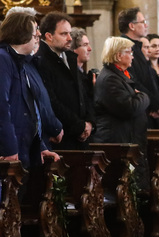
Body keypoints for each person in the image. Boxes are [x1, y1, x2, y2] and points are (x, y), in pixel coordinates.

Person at [0, 12, 61, 168]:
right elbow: (2, 107)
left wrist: (40, 147)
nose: (39, 35)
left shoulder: (22, 62)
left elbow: (29, 112)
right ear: (21, 33)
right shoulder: (3, 59)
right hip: (10, 154)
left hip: (25, 151)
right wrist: (10, 149)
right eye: (35, 31)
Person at [93, 36, 150, 190]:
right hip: (118, 139)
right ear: (118, 55)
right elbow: (129, 108)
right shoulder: (110, 79)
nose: (132, 55)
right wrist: (143, 96)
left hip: (127, 137)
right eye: (129, 52)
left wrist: (138, 97)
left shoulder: (121, 76)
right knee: (122, 189)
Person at [37, 12, 94, 150]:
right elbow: (51, 101)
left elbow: (83, 95)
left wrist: (90, 122)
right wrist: (79, 126)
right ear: (49, 36)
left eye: (69, 33)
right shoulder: (41, 60)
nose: (70, 38)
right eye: (64, 34)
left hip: (81, 136)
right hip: (62, 137)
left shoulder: (70, 57)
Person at [118, 7, 159, 128]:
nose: (146, 25)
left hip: (148, 112)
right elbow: (134, 82)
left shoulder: (138, 47)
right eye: (143, 22)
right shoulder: (125, 49)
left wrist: (158, 103)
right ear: (132, 26)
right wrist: (153, 103)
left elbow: (148, 78)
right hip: (140, 112)